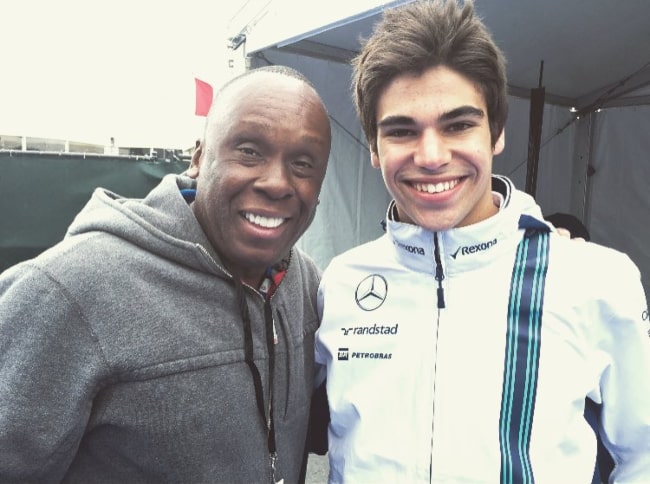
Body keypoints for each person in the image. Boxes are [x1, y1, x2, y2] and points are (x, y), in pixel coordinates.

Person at [314, 1, 650, 482]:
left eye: (458, 125)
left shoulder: (596, 278)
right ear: (373, 147)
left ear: (496, 133)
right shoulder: (341, 283)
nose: (431, 156)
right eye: (402, 130)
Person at [0, 65, 331, 482]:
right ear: (198, 157)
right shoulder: (64, 292)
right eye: (249, 151)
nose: (277, 182)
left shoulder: (306, 285)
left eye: (303, 163)